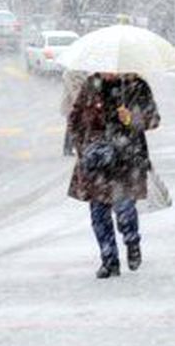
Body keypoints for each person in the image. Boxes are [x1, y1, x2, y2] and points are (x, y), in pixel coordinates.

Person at [68, 72, 160, 278]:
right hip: (97, 162)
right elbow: (74, 119)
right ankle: (109, 259)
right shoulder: (92, 84)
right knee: (98, 213)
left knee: (124, 208)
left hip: (126, 160)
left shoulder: (136, 85)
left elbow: (153, 119)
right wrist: (83, 147)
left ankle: (132, 241)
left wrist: (132, 119)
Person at [60, 70, 87, 156]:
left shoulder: (85, 73)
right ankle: (68, 148)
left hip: (79, 103)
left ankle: (72, 146)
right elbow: (73, 91)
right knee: (71, 125)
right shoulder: (69, 74)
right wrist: (80, 100)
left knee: (77, 125)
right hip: (71, 104)